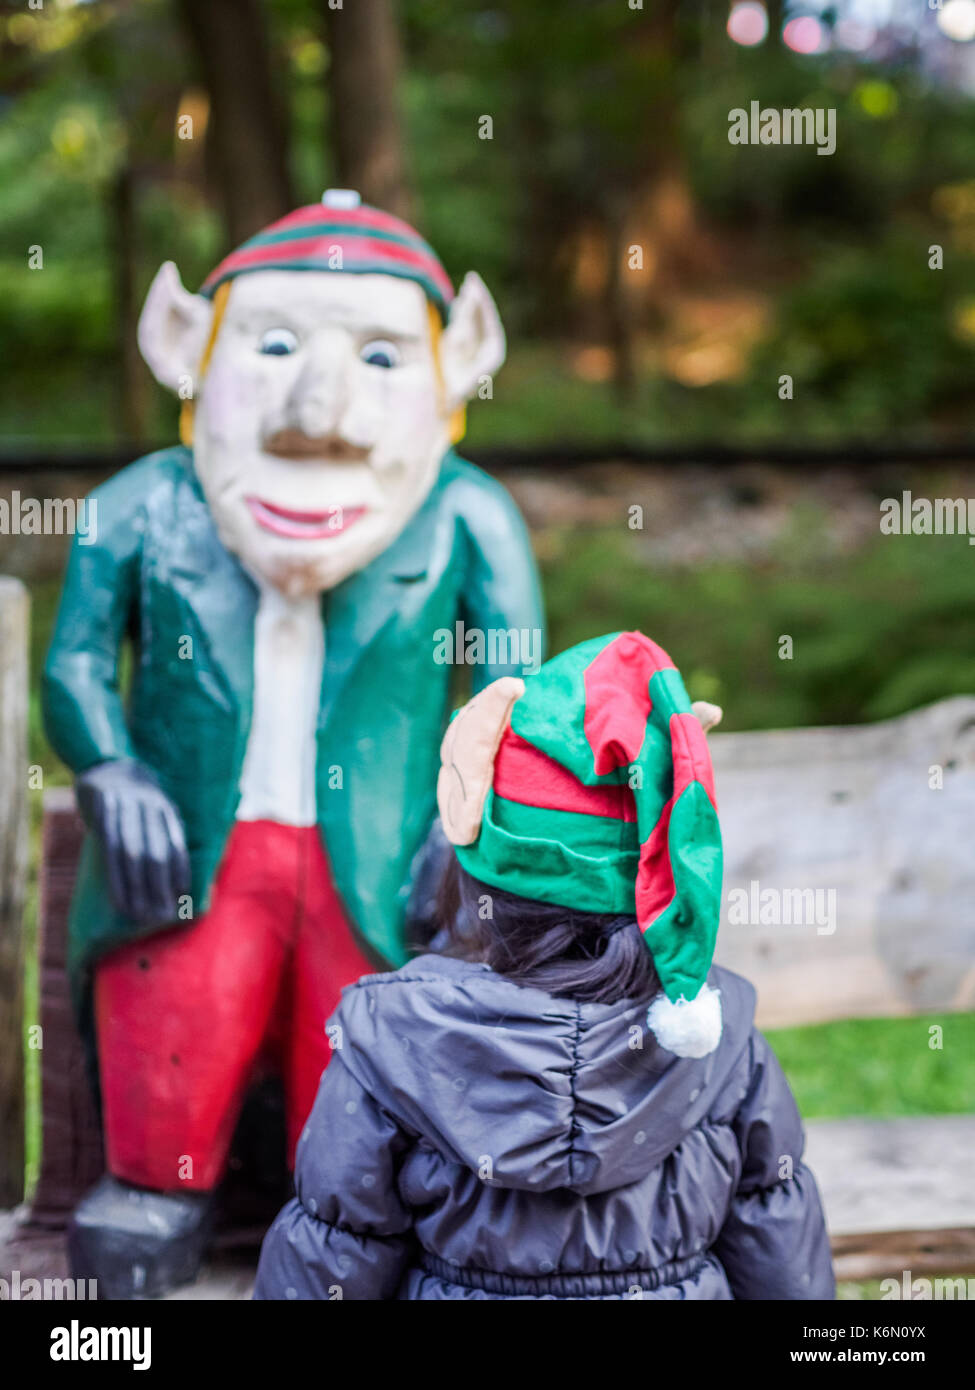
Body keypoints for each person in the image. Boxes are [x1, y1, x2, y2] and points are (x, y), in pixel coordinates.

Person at [42, 189, 542, 1298]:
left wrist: (475, 816)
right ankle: (162, 1189)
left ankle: (354, 1215)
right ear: (188, 352)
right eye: (273, 347)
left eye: (377, 358)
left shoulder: (468, 517)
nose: (319, 410)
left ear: (456, 369)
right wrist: (115, 768)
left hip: (379, 859)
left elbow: (513, 684)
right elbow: (75, 665)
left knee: (365, 1056)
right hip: (197, 859)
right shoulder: (138, 509)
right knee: (175, 1016)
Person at [253, 631, 835, 1300]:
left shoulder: (392, 1040)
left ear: (474, 874)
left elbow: (337, 1251)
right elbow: (776, 1245)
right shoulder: (722, 1041)